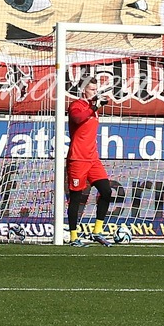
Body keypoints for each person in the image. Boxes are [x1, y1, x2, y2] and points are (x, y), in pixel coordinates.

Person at [64, 95, 121, 244]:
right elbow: (77, 119)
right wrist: (94, 107)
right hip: (78, 159)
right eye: (92, 89)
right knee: (76, 198)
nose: (95, 92)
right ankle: (74, 237)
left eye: (96, 89)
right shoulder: (76, 105)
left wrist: (95, 107)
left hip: (93, 159)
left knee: (106, 191)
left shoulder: (94, 109)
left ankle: (97, 231)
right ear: (84, 90)